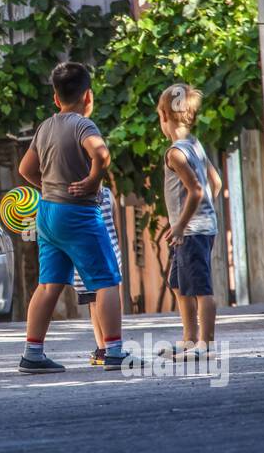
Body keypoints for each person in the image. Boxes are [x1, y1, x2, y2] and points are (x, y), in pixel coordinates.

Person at [16, 62, 135, 373]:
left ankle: (33, 353)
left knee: (48, 285)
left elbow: (25, 169)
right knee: (108, 280)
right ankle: (114, 351)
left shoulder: (44, 127)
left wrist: (48, 187)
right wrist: (93, 180)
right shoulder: (83, 125)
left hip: (47, 213)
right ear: (88, 96)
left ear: (55, 98)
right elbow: (102, 154)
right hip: (79, 213)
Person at [158, 83, 223, 361]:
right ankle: (189, 339)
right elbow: (215, 183)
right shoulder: (195, 145)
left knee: (199, 287)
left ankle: (205, 344)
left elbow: (197, 190)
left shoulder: (176, 153)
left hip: (192, 231)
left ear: (164, 115)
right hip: (194, 228)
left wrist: (183, 224)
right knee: (179, 283)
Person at [75, 180, 124, 366]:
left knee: (94, 302)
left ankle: (102, 347)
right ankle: (111, 346)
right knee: (108, 299)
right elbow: (116, 226)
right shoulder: (108, 194)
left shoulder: (74, 195)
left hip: (85, 254)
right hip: (110, 251)